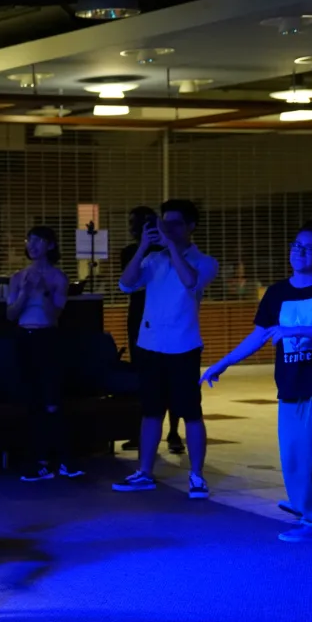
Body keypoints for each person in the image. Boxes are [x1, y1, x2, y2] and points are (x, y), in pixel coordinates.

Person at [201, 220, 312, 540]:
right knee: (297, 457)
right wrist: (222, 363)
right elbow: (259, 335)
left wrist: (295, 330)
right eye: (296, 245)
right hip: (295, 387)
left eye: (309, 248)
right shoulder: (277, 293)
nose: (299, 252)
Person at [113, 199, 218, 499]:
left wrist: (171, 246)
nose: (167, 228)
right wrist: (144, 247)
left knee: (191, 413)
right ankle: (144, 472)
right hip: (149, 345)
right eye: (165, 222)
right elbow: (125, 284)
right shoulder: (153, 260)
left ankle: (197, 475)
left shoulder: (205, 261)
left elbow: (191, 282)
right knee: (150, 411)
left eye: (175, 223)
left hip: (184, 346)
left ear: (190, 227)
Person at [7, 226, 82, 481]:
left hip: (48, 339)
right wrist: (26, 293)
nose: (32, 245)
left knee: (52, 401)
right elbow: (11, 314)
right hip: (24, 338)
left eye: (39, 241)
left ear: (50, 245)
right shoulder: (18, 277)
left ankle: (63, 460)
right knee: (31, 401)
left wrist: (44, 291)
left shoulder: (58, 278)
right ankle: (37, 461)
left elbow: (55, 315)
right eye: (30, 240)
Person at [120, 206, 184, 454]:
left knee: (172, 376)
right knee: (144, 376)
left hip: (168, 315)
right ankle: (144, 430)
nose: (133, 229)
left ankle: (174, 431)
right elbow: (128, 282)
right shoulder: (132, 252)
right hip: (140, 315)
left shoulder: (169, 249)